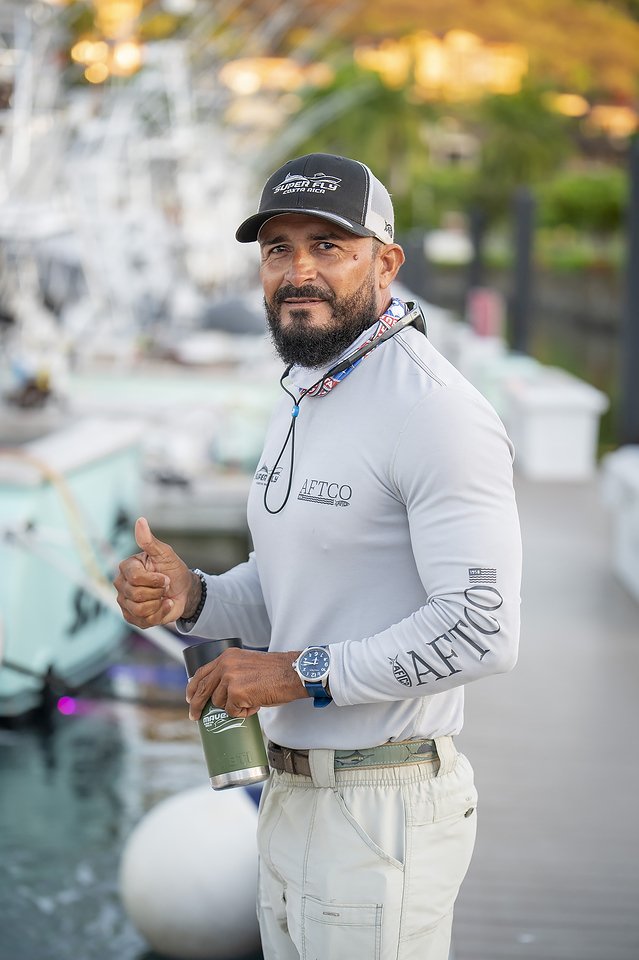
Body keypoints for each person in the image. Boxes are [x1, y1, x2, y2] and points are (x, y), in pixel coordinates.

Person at [114, 152, 522, 960]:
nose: (298, 271)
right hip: (289, 791)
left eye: (327, 246)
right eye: (277, 248)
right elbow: (293, 587)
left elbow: (483, 629)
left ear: (385, 260)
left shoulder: (436, 413)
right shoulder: (306, 389)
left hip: (384, 809)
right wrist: (190, 596)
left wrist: (293, 673)